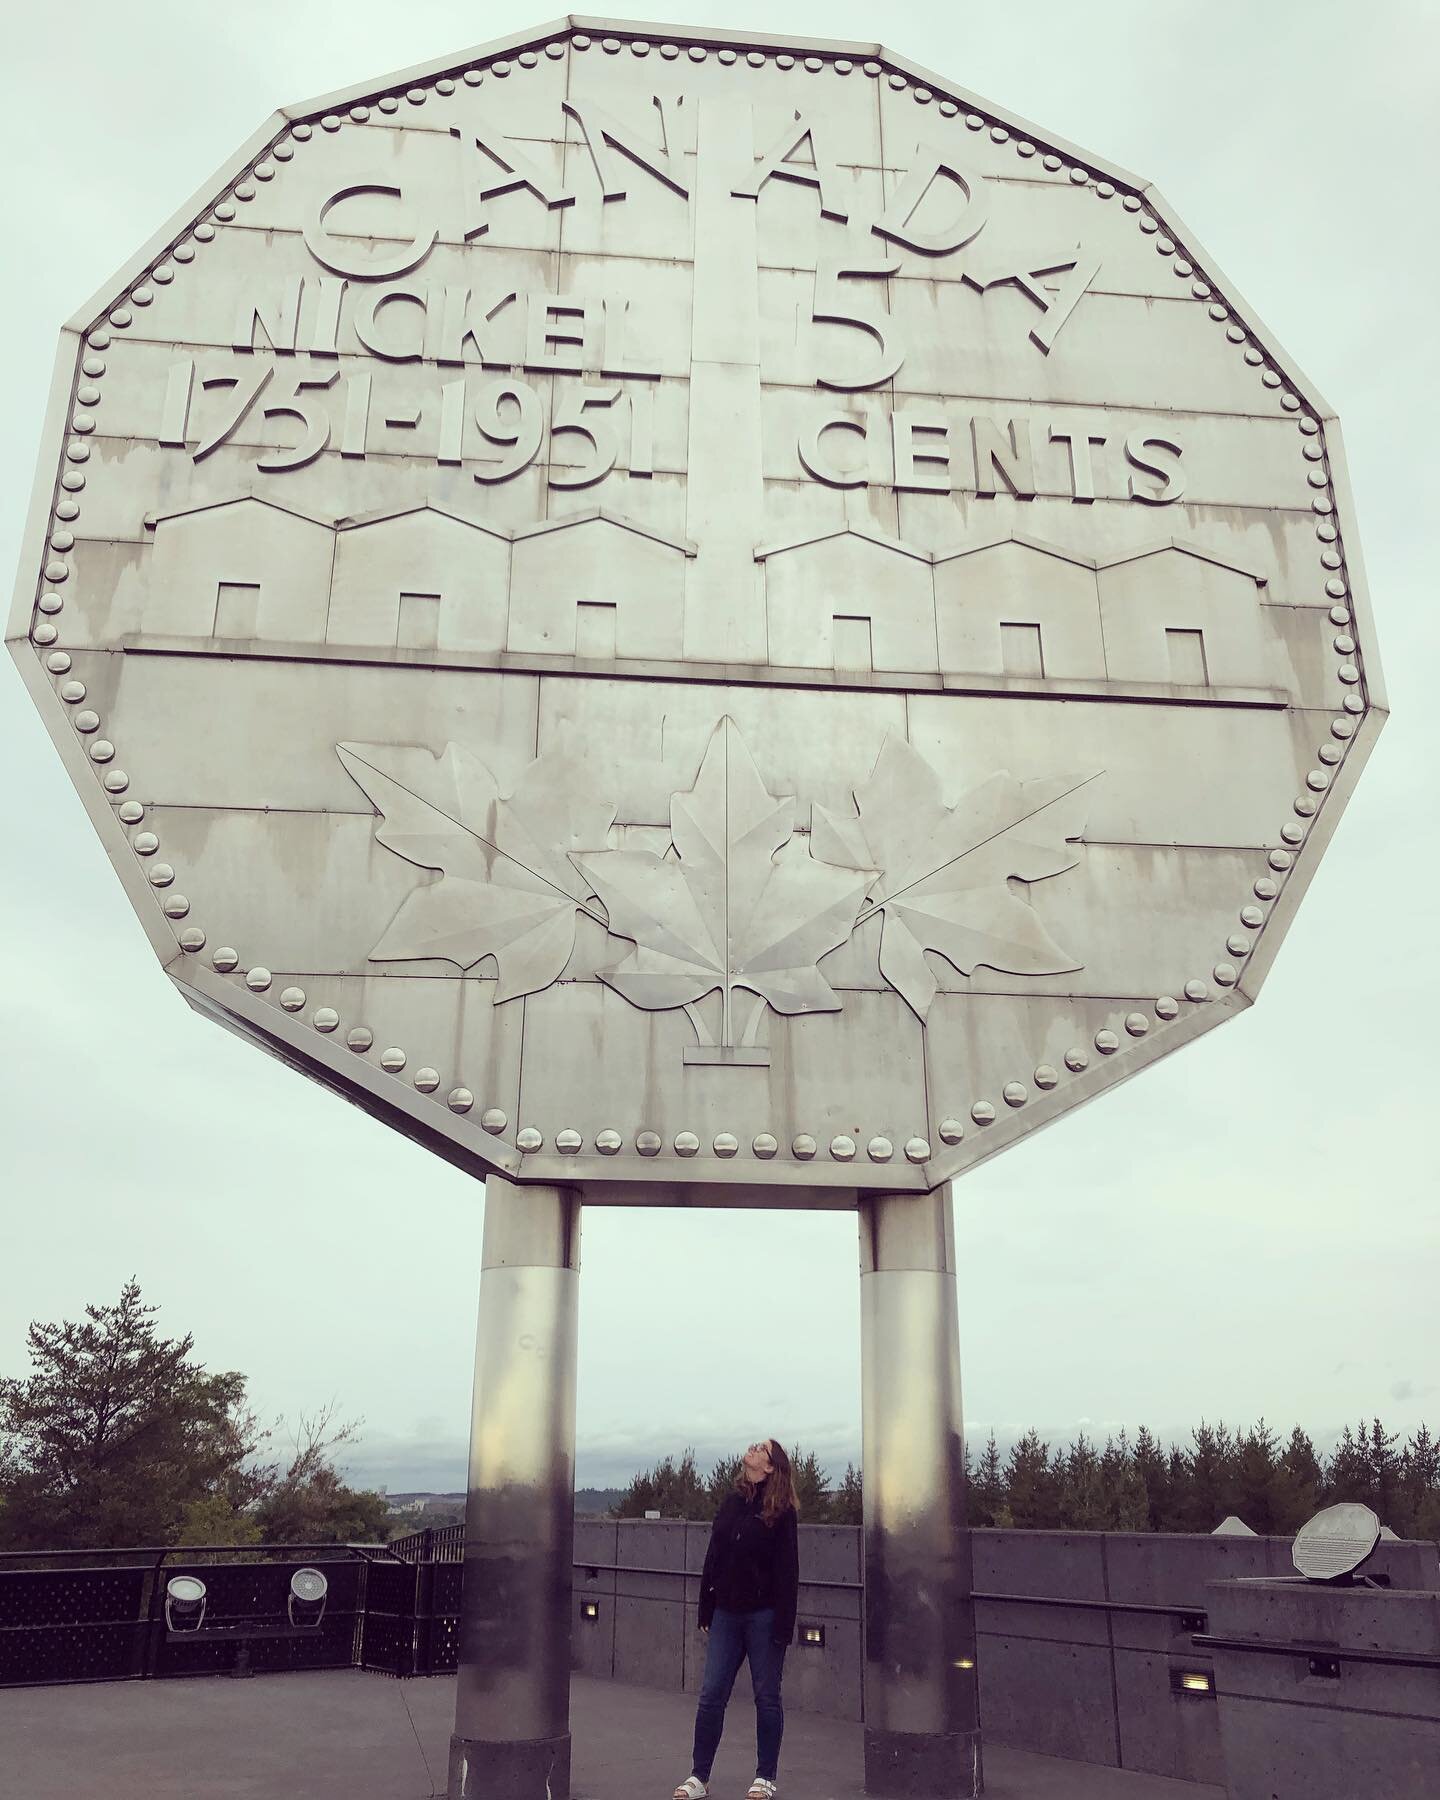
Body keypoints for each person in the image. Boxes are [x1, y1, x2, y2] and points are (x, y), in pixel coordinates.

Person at [673, 1438, 799, 1800]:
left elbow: (788, 1570)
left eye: (761, 1448)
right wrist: (705, 1606)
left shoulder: (782, 1511)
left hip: (764, 1616)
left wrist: (783, 1626)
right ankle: (699, 1777)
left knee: (767, 1697)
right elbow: (713, 1556)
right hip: (726, 1613)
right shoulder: (732, 1503)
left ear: (771, 1466)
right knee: (711, 1695)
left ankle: (765, 1777)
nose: (752, 1448)